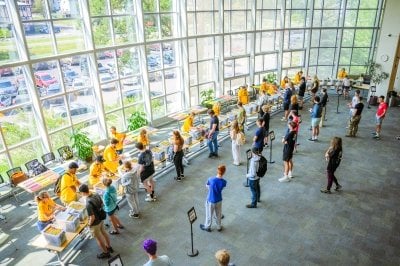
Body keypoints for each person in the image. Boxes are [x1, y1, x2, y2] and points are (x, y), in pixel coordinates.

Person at [78, 184, 113, 259]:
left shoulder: (88, 203)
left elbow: (92, 217)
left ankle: (105, 253)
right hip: (101, 218)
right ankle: (109, 247)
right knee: (104, 232)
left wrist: (89, 224)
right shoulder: (96, 194)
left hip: (95, 223)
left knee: (99, 238)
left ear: (83, 193)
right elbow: (102, 204)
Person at [200, 164, 227, 232]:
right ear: (224, 172)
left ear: (217, 170)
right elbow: (222, 188)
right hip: (219, 199)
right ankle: (219, 226)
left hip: (211, 199)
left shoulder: (211, 179)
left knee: (209, 214)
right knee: (218, 214)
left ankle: (207, 226)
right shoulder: (224, 182)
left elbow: (207, 186)